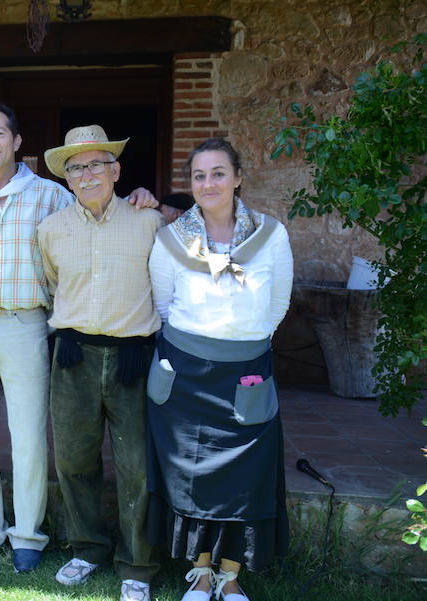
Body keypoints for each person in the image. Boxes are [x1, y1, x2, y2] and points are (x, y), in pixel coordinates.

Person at [0, 101, 158, 573]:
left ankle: (27, 534)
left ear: (17, 141)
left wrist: (148, 198)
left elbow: (97, 225)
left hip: (25, 324)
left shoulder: (52, 196)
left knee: (27, 436)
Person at [145, 138, 293, 601]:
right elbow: (163, 305)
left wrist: (239, 341)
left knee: (246, 480)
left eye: (218, 173)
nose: (208, 184)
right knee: (190, 476)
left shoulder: (271, 235)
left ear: (238, 178)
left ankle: (231, 577)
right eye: (199, 176)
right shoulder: (171, 241)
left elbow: (277, 306)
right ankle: (201, 572)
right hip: (186, 377)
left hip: (245, 373)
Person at [38, 125, 163, 601]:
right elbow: (53, 286)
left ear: (116, 170)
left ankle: (138, 564)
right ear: (67, 179)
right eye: (76, 167)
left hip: (134, 357)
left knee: (137, 466)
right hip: (73, 355)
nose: (87, 174)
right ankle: (88, 548)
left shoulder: (147, 221)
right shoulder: (51, 230)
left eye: (96, 164)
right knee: (73, 459)